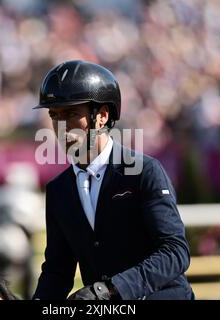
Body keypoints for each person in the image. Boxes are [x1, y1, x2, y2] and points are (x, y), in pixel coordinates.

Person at [32, 60, 194, 300]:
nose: (61, 127)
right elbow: (58, 270)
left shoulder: (144, 172)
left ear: (102, 116)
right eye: (55, 116)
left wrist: (110, 289)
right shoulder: (58, 190)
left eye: (71, 113)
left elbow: (175, 252)